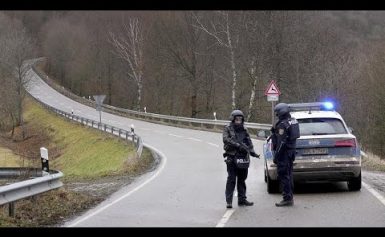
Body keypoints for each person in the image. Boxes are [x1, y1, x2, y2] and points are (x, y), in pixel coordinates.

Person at [223, 110, 260, 209]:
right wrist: (238, 146)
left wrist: (252, 152)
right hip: (232, 156)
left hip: (243, 157)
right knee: (231, 179)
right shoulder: (227, 128)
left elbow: (249, 141)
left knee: (242, 179)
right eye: (237, 118)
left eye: (240, 118)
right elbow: (225, 139)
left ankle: (242, 199)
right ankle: (229, 201)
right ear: (233, 119)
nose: (238, 120)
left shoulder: (245, 129)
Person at [270, 103, 300, 207]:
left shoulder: (282, 124)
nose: (277, 115)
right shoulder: (293, 121)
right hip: (291, 152)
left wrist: (276, 156)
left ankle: (287, 198)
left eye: (277, 112)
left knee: (283, 175)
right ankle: (290, 196)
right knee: (289, 174)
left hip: (284, 154)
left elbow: (281, 143)